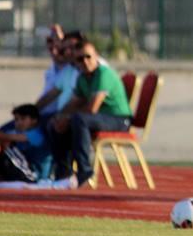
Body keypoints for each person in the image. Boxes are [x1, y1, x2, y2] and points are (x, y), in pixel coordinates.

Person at [51, 39, 132, 187]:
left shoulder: (103, 74)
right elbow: (73, 103)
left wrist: (67, 119)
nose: (85, 61)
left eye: (88, 56)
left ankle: (84, 169)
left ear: (96, 56)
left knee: (79, 119)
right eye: (79, 59)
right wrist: (59, 117)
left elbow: (92, 109)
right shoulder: (82, 78)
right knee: (54, 123)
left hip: (119, 119)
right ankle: (63, 172)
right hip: (98, 119)